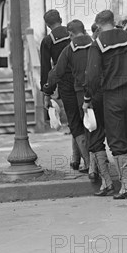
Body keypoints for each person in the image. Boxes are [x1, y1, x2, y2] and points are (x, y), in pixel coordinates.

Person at [84, 10, 127, 199]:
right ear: (113, 22)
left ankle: (125, 186)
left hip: (112, 94)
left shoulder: (97, 43)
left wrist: (88, 98)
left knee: (115, 139)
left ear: (98, 25)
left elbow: (91, 76)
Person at [45, 20, 114, 195]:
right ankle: (103, 169)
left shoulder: (69, 50)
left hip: (81, 95)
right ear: (84, 30)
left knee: (87, 127)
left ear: (70, 34)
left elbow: (57, 72)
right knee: (99, 129)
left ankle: (94, 170)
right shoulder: (97, 44)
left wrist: (47, 90)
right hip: (101, 91)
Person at [40, 9, 88, 172]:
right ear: (61, 19)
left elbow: (47, 69)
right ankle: (77, 157)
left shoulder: (48, 41)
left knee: (74, 120)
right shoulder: (73, 33)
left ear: (47, 25)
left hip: (65, 82)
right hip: (83, 79)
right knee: (85, 119)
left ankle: (88, 162)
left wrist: (46, 91)